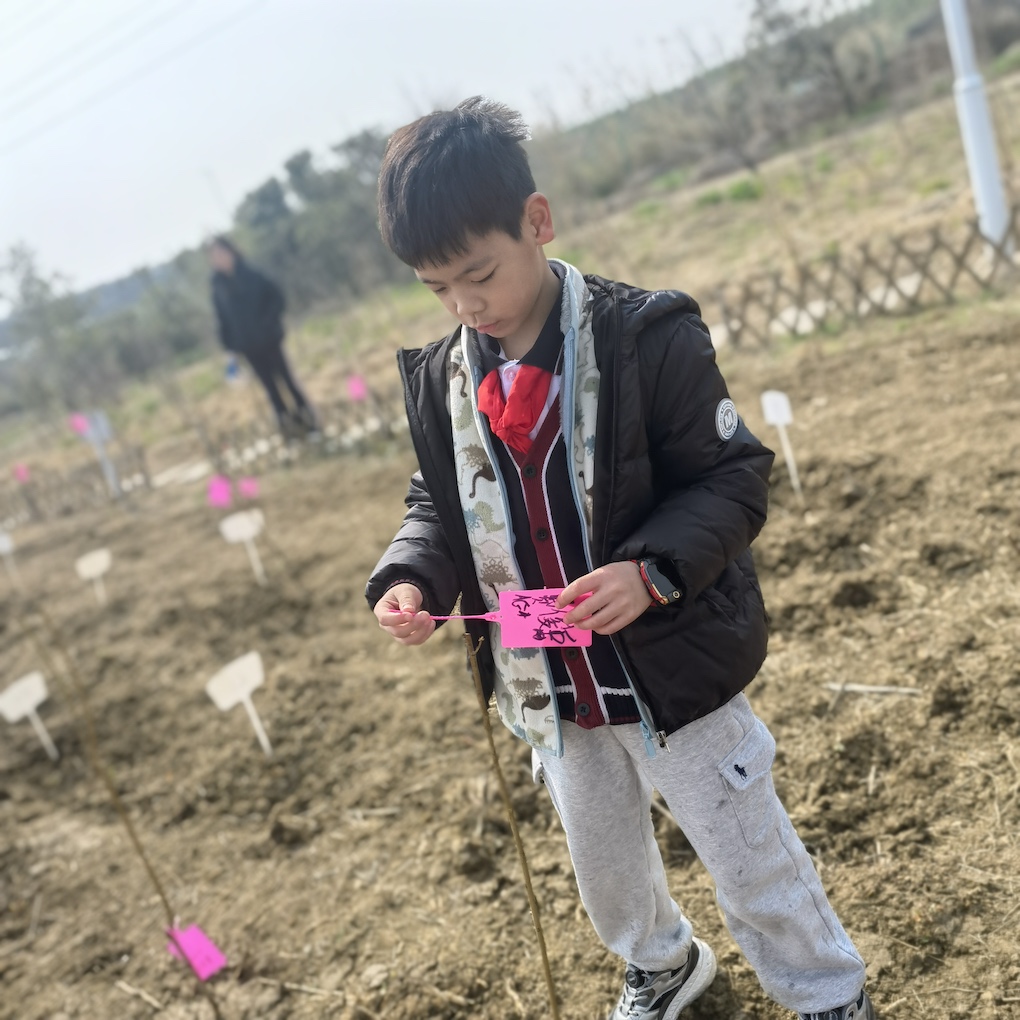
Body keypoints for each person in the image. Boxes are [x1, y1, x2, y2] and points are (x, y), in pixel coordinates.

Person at [365, 97, 875, 1020]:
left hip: (672, 669)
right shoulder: (445, 380)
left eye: (478, 274)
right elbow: (437, 504)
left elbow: (731, 477)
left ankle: (826, 991)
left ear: (537, 220)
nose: (465, 304)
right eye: (437, 288)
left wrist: (649, 572)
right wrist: (409, 575)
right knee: (603, 864)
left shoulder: (646, 337)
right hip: (551, 687)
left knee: (744, 849)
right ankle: (662, 964)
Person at [208, 236, 317, 437]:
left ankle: (310, 424)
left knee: (288, 382)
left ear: (232, 252)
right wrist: (229, 349)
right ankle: (289, 431)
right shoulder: (217, 288)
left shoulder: (252, 275)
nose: (219, 259)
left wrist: (268, 323)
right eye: (215, 256)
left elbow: (277, 298)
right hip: (248, 348)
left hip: (270, 341)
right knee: (271, 390)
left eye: (221, 253)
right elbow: (222, 321)